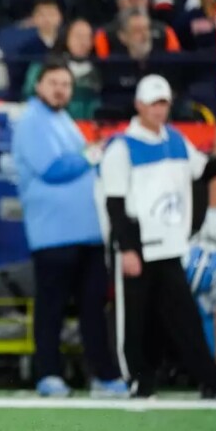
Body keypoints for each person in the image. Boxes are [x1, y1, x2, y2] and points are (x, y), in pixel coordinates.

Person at [100, 74, 216, 399]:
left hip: (170, 244)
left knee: (185, 317)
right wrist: (127, 249)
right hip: (137, 242)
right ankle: (138, 378)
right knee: (135, 319)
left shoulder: (176, 140)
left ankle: (210, 379)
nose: (159, 110)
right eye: (153, 103)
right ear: (139, 105)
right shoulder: (122, 147)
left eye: (164, 103)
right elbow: (114, 203)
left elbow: (203, 170)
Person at [12, 59, 129, 398]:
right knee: (52, 310)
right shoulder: (31, 120)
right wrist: (94, 153)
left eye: (65, 83)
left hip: (88, 233)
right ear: (39, 86)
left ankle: (103, 377)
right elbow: (52, 169)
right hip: (53, 237)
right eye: (54, 83)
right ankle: (48, 374)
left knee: (94, 310)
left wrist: (92, 153)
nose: (61, 89)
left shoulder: (63, 120)